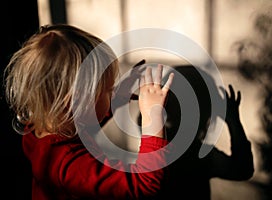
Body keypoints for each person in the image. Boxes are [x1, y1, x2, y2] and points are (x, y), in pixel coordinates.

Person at [4, 24, 174, 200]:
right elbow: (144, 185)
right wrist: (152, 117)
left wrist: (117, 98)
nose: (112, 93)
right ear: (77, 101)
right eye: (108, 90)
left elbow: (82, 126)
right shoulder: (70, 164)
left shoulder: (36, 130)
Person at [137, 65, 254, 199]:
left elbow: (141, 120)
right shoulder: (199, 154)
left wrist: (151, 104)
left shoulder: (155, 148)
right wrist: (234, 122)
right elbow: (243, 170)